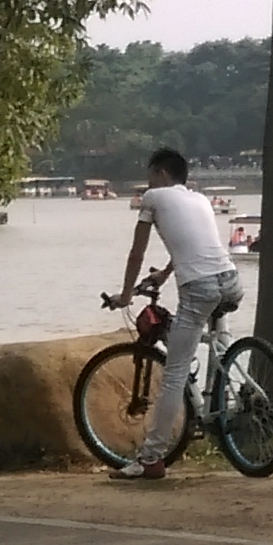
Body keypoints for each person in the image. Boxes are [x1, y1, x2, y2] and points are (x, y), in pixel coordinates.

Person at [106, 146, 240, 481]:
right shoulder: (200, 199)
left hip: (200, 288)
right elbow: (194, 244)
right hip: (231, 280)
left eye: (150, 175)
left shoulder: (154, 197)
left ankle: (150, 459)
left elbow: (137, 252)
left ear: (161, 175)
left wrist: (124, 295)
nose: (146, 184)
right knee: (214, 339)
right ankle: (219, 403)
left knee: (175, 373)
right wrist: (166, 273)